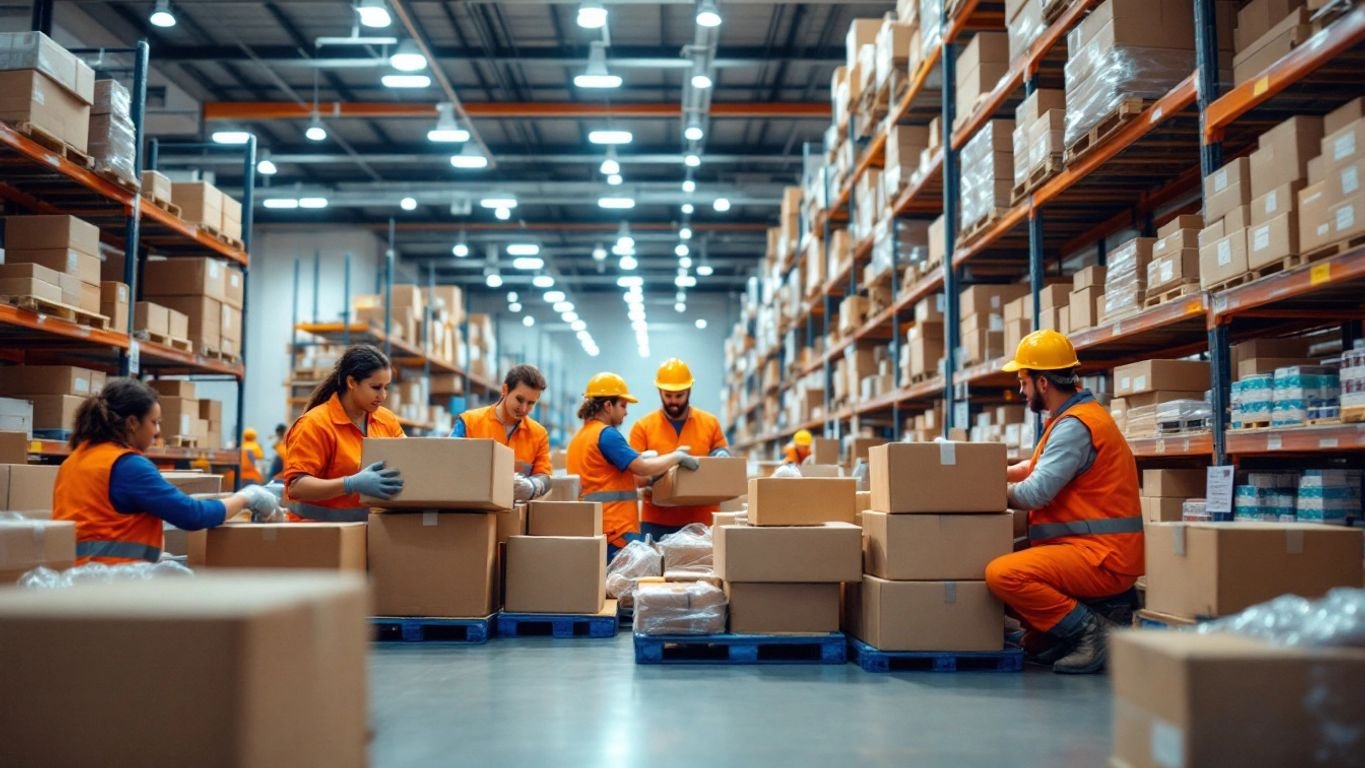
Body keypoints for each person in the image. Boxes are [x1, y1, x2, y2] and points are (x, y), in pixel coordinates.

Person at [984, 330, 1143, 675]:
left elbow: (1035, 492)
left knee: (1003, 574)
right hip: (1085, 548)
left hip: (1103, 556)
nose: (1021, 390)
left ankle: (1093, 633)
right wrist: (991, 473)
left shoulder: (1076, 426)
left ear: (1042, 383)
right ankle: (1068, 631)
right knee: (984, 564)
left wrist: (985, 493)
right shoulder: (1069, 418)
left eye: (1023, 381)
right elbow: (1034, 468)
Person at [53, 377, 279, 565]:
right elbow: (193, 515)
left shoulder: (74, 461)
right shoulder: (127, 466)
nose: (158, 432)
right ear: (132, 423)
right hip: (116, 587)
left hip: (78, 580)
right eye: (155, 422)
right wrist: (246, 497)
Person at [567, 372, 699, 561]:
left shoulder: (579, 438)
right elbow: (642, 467)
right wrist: (676, 456)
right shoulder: (607, 435)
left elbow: (601, 481)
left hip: (596, 528)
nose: (626, 412)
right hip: (617, 532)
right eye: (623, 405)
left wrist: (640, 489)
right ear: (607, 405)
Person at [283, 345, 406, 522]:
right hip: (319, 534)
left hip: (371, 532)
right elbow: (297, 487)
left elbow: (407, 462)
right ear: (351, 383)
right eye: (376, 387)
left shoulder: (386, 420)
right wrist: (350, 484)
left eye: (386, 387)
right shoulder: (315, 424)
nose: (383, 395)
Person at [629, 358, 730, 538]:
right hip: (657, 520)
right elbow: (633, 475)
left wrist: (722, 456)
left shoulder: (710, 423)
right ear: (659, 392)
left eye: (679, 395)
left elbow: (722, 453)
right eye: (668, 396)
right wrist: (655, 474)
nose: (673, 401)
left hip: (701, 520)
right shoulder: (642, 427)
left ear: (689, 391)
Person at [451, 364, 552, 502]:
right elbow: (449, 463)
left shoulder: (538, 434)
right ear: (504, 390)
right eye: (519, 399)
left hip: (515, 514)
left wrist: (532, 486)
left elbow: (545, 475)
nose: (523, 408)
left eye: (530, 403)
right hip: (472, 509)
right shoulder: (469, 422)